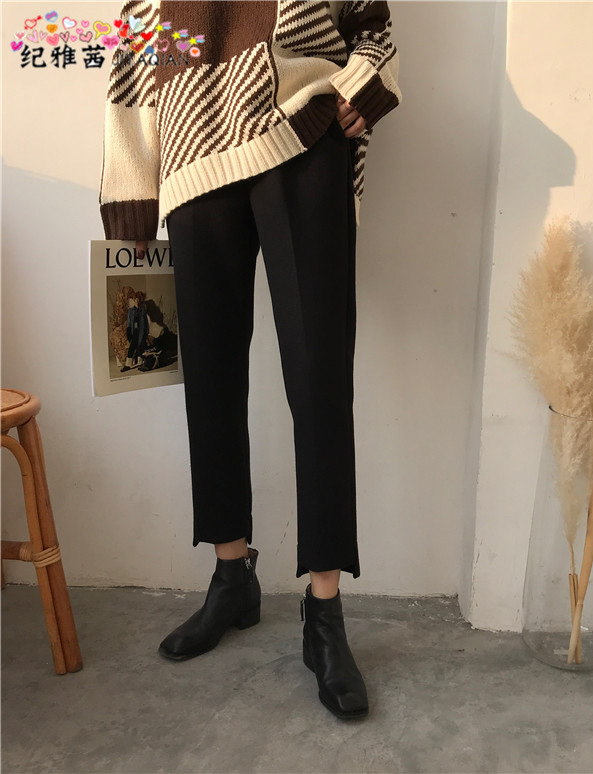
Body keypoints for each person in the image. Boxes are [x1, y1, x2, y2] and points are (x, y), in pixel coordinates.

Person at [99, 1, 401, 720]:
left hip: (304, 139)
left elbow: (372, 23)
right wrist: (131, 197)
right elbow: (131, 64)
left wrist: (360, 89)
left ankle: (324, 612)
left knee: (319, 382)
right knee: (208, 381)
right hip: (193, 166)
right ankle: (231, 577)